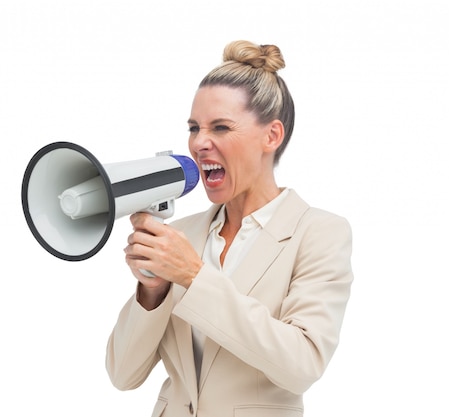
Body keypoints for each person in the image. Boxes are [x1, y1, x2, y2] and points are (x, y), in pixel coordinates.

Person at [105, 40, 353, 417]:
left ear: (271, 136)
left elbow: (302, 365)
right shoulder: (182, 235)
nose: (199, 143)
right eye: (194, 128)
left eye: (220, 127)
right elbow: (123, 375)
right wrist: (152, 291)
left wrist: (193, 275)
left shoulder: (319, 233)